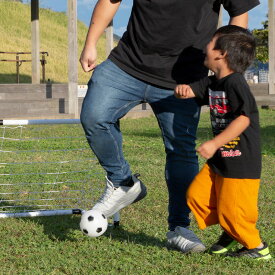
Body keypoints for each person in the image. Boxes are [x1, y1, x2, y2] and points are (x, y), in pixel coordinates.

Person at [79, 0, 260, 253]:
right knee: (94, 116)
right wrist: (90, 43)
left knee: (181, 149)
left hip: (185, 78)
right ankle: (123, 183)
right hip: (126, 64)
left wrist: (228, 69)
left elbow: (239, 12)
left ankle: (179, 228)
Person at [174, 25, 271, 260]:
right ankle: (231, 232)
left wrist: (215, 143)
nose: (204, 48)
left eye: (209, 43)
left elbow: (244, 119)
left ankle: (256, 246)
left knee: (235, 210)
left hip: (240, 160)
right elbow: (193, 91)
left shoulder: (235, 83)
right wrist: (183, 91)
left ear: (221, 53)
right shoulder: (213, 82)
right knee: (197, 195)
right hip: (221, 159)